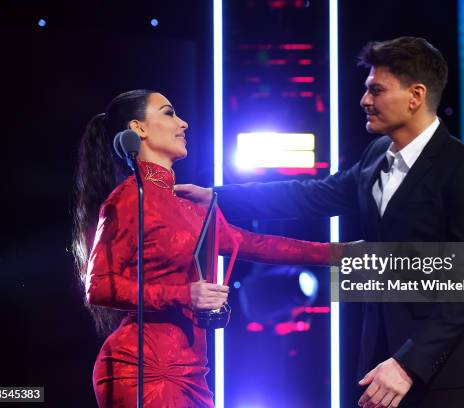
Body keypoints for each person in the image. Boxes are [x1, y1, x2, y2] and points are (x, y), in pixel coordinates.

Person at [175, 37, 464, 407]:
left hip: (455, 375)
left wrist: (408, 364)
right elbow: (310, 195)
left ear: (415, 95)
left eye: (376, 90)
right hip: (383, 369)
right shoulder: (374, 157)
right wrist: (218, 197)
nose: (364, 101)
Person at [72, 89, 339, 407]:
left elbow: (257, 244)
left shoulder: (191, 206)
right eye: (169, 113)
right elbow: (99, 286)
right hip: (143, 368)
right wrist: (186, 295)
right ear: (138, 128)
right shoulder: (129, 198)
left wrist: (341, 254)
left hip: (193, 372)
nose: (183, 123)